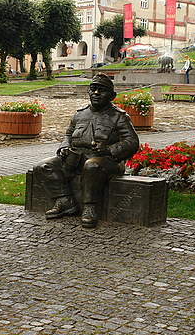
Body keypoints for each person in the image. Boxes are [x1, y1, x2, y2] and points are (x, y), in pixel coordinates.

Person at [33, 73, 139, 228]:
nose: (96, 93)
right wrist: (64, 148)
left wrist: (108, 149)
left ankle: (89, 208)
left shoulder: (119, 116)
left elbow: (132, 142)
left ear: (112, 96)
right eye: (93, 89)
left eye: (102, 90)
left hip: (106, 161)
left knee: (91, 165)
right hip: (75, 158)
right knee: (42, 166)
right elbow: (68, 134)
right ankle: (65, 200)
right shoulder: (80, 113)